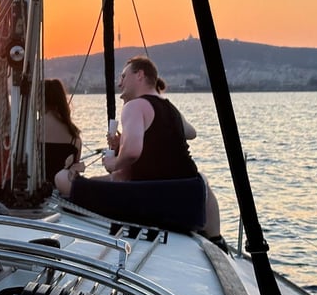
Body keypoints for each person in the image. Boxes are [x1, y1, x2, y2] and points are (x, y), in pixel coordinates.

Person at [55, 56, 225, 249]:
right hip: (187, 200)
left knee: (62, 178)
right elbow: (190, 133)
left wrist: (114, 162)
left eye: (123, 76)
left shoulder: (134, 106)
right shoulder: (171, 108)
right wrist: (126, 140)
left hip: (149, 199)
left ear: (140, 75)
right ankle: (217, 240)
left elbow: (132, 153)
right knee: (202, 178)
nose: (119, 83)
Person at [42, 79, 82, 184]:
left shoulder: (31, 133)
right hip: (62, 194)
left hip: (35, 194)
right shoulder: (75, 137)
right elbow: (73, 174)